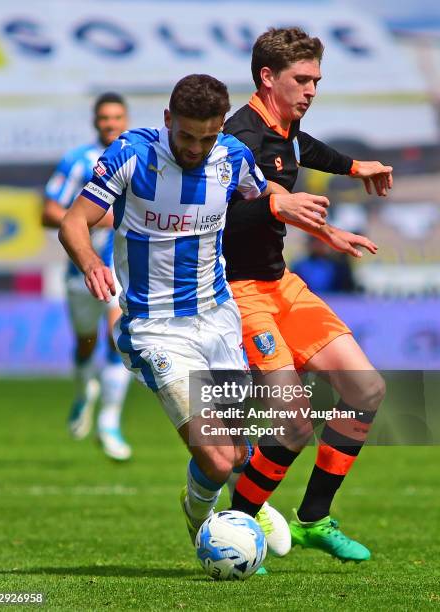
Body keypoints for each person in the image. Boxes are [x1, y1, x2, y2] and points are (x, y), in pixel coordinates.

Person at [58, 74, 335, 562]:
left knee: (241, 450)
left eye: (207, 137)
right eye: (186, 136)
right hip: (154, 328)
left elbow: (258, 190)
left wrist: (288, 204)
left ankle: (225, 500)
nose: (196, 148)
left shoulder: (229, 156)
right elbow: (73, 222)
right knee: (216, 453)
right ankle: (202, 517)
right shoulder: (131, 154)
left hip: (218, 318)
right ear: (168, 121)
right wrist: (92, 263)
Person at [222, 27, 393, 561]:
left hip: (282, 284)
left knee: (366, 390)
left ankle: (314, 518)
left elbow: (301, 148)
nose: (312, 89)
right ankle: (234, 527)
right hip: (239, 291)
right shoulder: (235, 139)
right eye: (303, 79)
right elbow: (221, 212)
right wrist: (277, 207)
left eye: (317, 79)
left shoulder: (286, 126)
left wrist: (349, 171)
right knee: (292, 423)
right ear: (267, 77)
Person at [42, 92, 133, 461]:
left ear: (125, 120)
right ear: (96, 121)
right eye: (104, 118)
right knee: (85, 344)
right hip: (81, 268)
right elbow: (48, 211)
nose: (110, 124)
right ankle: (84, 395)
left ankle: (109, 423)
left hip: (121, 268)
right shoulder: (79, 160)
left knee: (118, 338)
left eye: (117, 117)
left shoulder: (138, 156)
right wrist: (102, 217)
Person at [291, 236, 357, 294]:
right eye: (316, 241)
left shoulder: (339, 267)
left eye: (322, 241)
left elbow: (347, 291)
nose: (319, 245)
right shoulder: (300, 266)